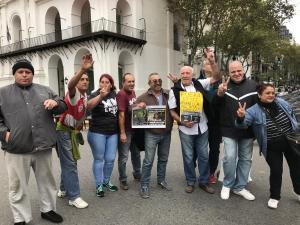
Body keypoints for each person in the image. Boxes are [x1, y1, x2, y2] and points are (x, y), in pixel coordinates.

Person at [0, 59, 67, 225]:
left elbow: (63, 105)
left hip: (43, 146)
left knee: (47, 182)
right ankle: (21, 217)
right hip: (17, 148)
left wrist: (55, 103)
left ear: (32, 74)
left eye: (27, 72)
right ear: (14, 74)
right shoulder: (2, 93)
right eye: (20, 72)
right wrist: (4, 134)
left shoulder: (45, 90)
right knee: (18, 186)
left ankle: (48, 210)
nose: (24, 75)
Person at [236, 83, 300, 209]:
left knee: (297, 167)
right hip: (271, 145)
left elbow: (291, 113)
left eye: (273, 93)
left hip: (290, 141)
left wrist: (295, 129)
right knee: (276, 170)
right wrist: (240, 117)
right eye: (268, 93)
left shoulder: (281, 102)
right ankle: (274, 197)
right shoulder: (253, 111)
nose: (271, 95)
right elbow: (242, 125)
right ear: (259, 95)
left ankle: (298, 191)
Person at [168, 64, 219, 194]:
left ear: (192, 75)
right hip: (186, 130)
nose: (185, 75)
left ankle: (204, 182)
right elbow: (172, 111)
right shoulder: (174, 90)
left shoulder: (200, 83)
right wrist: (182, 121)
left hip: (202, 127)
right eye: (183, 73)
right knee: (188, 157)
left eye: (187, 73)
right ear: (180, 75)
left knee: (203, 156)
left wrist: (212, 62)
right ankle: (190, 181)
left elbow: (216, 77)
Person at [214, 60, 257, 201]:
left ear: (243, 70)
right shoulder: (223, 86)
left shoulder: (253, 85)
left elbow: (260, 106)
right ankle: (227, 184)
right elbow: (214, 106)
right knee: (230, 157)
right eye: (233, 71)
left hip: (247, 129)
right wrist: (219, 93)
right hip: (228, 129)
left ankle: (239, 187)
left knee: (245, 159)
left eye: (239, 70)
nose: (236, 73)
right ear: (229, 73)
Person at [56, 53, 93, 209]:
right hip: (64, 131)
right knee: (70, 163)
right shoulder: (73, 93)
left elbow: (88, 106)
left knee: (69, 162)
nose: (84, 81)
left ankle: (63, 189)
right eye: (82, 79)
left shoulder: (84, 96)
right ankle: (74, 196)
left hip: (71, 131)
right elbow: (70, 85)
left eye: (86, 79)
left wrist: (102, 96)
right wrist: (82, 69)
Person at [136, 73, 174, 198]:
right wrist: (138, 106)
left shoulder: (169, 94)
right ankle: (144, 185)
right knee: (148, 161)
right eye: (154, 81)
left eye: (159, 80)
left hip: (166, 133)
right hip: (151, 134)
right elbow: (131, 109)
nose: (157, 82)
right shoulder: (143, 97)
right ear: (149, 84)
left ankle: (161, 180)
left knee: (163, 159)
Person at [87, 74, 119, 197]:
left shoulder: (115, 94)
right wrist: (101, 96)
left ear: (111, 84)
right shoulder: (95, 94)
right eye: (102, 82)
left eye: (107, 82)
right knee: (99, 159)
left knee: (110, 159)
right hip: (97, 132)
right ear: (99, 83)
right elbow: (89, 106)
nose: (104, 84)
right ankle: (99, 184)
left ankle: (106, 181)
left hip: (112, 132)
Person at [198, 49, 222, 184]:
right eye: (206, 62)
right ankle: (202, 171)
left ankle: (211, 172)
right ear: (203, 66)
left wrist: (212, 61)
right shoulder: (198, 82)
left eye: (210, 62)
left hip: (215, 122)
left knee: (214, 149)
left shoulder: (219, 82)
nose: (208, 64)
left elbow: (216, 75)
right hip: (200, 121)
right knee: (199, 149)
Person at [117, 73, 141, 190]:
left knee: (136, 154)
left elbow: (132, 109)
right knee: (124, 156)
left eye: (133, 81)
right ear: (123, 82)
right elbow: (121, 115)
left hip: (134, 129)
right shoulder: (121, 94)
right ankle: (123, 179)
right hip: (126, 130)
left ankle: (137, 173)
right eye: (129, 81)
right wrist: (122, 133)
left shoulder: (133, 92)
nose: (131, 83)